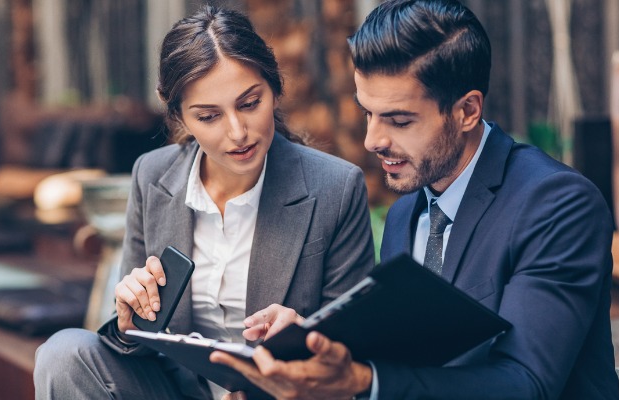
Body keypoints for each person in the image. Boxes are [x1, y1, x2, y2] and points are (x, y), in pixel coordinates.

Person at [212, 0, 619, 399]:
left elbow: (525, 383)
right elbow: (412, 359)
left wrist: (362, 380)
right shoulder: (406, 211)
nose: (373, 140)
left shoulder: (558, 205)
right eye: (367, 113)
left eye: (399, 120)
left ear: (467, 111)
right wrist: (314, 346)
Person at [32, 5, 375, 400]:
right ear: (179, 115)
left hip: (277, 394)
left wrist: (305, 334)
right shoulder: (152, 176)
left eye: (249, 104)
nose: (237, 132)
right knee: (62, 354)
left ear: (275, 88)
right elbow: (136, 341)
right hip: (175, 391)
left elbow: (355, 355)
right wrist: (128, 322)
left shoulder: (335, 186)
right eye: (209, 116)